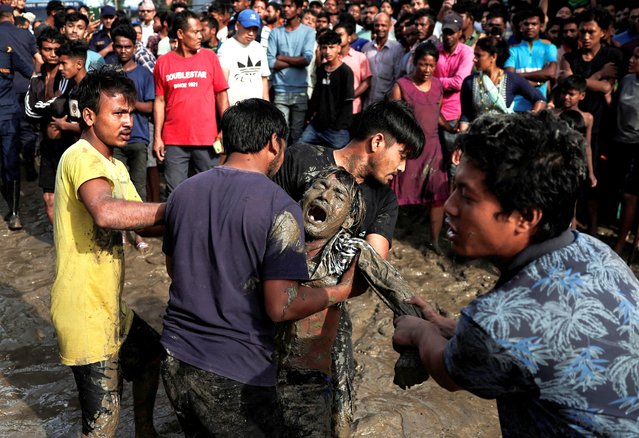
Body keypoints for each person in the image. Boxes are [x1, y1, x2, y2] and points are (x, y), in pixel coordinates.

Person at [393, 110, 639, 437]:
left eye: (466, 195)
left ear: (525, 217)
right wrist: (450, 326)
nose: (450, 206)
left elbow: (449, 371)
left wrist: (418, 332)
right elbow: (535, 345)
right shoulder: (593, 249)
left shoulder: (496, 323)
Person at [159, 98, 358, 436]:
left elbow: (176, 271)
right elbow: (281, 306)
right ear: (274, 143)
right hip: (233, 371)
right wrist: (337, 292)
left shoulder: (183, 193)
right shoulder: (280, 207)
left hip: (174, 356)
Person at [274, 99, 424, 434]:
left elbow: (373, 269)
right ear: (377, 142)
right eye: (402, 155)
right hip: (268, 305)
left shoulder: (383, 199)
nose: (402, 168)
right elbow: (258, 225)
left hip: (329, 315)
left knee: (337, 408)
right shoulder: (301, 159)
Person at [51, 65, 165, 438]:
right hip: (84, 312)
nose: (127, 120)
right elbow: (105, 212)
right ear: (88, 116)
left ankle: (145, 431)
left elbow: (142, 220)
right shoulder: (81, 156)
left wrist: (200, 216)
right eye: (117, 112)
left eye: (130, 112)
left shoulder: (113, 165)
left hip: (109, 307)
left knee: (150, 355)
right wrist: (177, 210)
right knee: (101, 425)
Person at [153, 10, 229, 195]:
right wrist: (157, 136)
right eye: (195, 32)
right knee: (175, 194)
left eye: (201, 31)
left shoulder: (210, 58)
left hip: (206, 139)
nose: (200, 36)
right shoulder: (163, 63)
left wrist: (224, 128)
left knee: (211, 190)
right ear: (180, 34)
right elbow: (160, 101)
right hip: (174, 141)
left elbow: (221, 95)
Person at [391, 41, 447, 251]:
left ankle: (435, 240)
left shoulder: (438, 85)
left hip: (433, 148)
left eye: (431, 65)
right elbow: (394, 119)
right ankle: (387, 236)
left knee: (438, 196)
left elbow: (435, 113)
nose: (427, 70)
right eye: (423, 64)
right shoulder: (401, 86)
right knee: (396, 194)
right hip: (410, 148)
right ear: (414, 62)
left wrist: (449, 128)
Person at [459, 37, 546, 132]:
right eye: (474, 55)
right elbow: (466, 116)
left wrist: (530, 119)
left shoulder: (512, 79)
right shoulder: (469, 82)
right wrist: (462, 140)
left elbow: (540, 99)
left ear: (493, 57)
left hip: (505, 139)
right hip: (480, 139)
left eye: (479, 55)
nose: (474, 60)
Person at [0, 4, 34, 230]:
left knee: (10, 162)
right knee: (7, 163)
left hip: (8, 112)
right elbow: (31, 70)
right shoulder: (10, 41)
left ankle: (14, 211)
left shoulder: (6, 47)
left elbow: (28, 70)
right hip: (8, 111)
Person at [266, 0, 315, 144]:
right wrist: (294, 61)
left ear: (299, 9)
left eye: (290, 6)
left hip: (300, 91)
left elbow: (306, 59)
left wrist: (281, 57)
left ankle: (294, 164)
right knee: (282, 132)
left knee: (297, 132)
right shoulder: (276, 32)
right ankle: (281, 164)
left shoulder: (308, 32)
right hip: (280, 89)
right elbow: (270, 61)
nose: (286, 9)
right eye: (284, 6)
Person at [433, 11, 474, 181]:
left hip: (454, 114)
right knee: (435, 161)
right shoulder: (435, 51)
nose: (448, 36)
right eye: (445, 32)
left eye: (452, 32)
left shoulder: (467, 52)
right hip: (434, 112)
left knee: (453, 161)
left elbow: (459, 82)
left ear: (459, 33)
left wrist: (434, 82)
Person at [301, 29, 354, 149]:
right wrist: (309, 117)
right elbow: (316, 96)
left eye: (332, 47)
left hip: (337, 129)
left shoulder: (345, 72)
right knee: (300, 147)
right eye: (324, 48)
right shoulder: (321, 69)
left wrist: (338, 125)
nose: (328, 51)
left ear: (339, 48)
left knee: (341, 160)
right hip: (317, 126)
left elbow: (347, 101)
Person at [612, 46, 639, 257]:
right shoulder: (627, 80)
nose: (631, 60)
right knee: (624, 194)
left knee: (632, 194)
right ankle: (621, 240)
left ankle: (627, 243)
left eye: (637, 57)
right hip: (621, 142)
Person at [504, 7, 557, 112]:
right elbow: (509, 78)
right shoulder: (512, 51)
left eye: (534, 24)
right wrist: (538, 81)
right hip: (515, 107)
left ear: (541, 26)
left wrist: (519, 77)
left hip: (540, 107)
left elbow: (550, 73)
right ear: (520, 27)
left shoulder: (549, 48)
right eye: (526, 24)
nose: (530, 27)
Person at [218, 9, 270, 105]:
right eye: (248, 28)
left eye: (254, 29)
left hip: (258, 109)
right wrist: (226, 113)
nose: (251, 33)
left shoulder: (259, 48)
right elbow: (222, 85)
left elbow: (264, 80)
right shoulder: (226, 48)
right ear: (237, 25)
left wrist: (267, 107)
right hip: (236, 110)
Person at [362, 12, 404, 107]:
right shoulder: (366, 48)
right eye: (377, 25)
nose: (380, 28)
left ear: (389, 27)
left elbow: (398, 77)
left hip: (386, 103)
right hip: (367, 102)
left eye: (383, 25)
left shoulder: (397, 48)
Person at [334, 21, 371, 114]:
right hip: (332, 108)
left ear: (349, 38)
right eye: (335, 35)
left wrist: (351, 96)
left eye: (340, 35)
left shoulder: (360, 57)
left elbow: (366, 81)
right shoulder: (329, 58)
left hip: (353, 108)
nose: (337, 38)